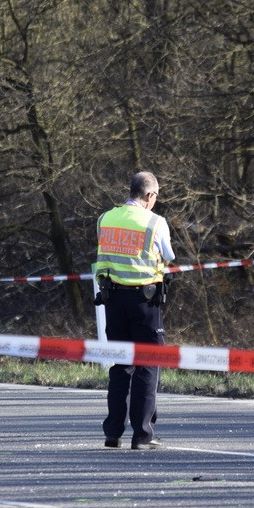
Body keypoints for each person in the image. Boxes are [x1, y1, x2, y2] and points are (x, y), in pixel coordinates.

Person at [95, 171, 175, 450]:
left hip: (113, 300)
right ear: (149, 195)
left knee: (120, 366)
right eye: (156, 197)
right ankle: (142, 434)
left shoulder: (105, 218)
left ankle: (113, 432)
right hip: (144, 302)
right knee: (147, 364)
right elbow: (168, 256)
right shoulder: (156, 222)